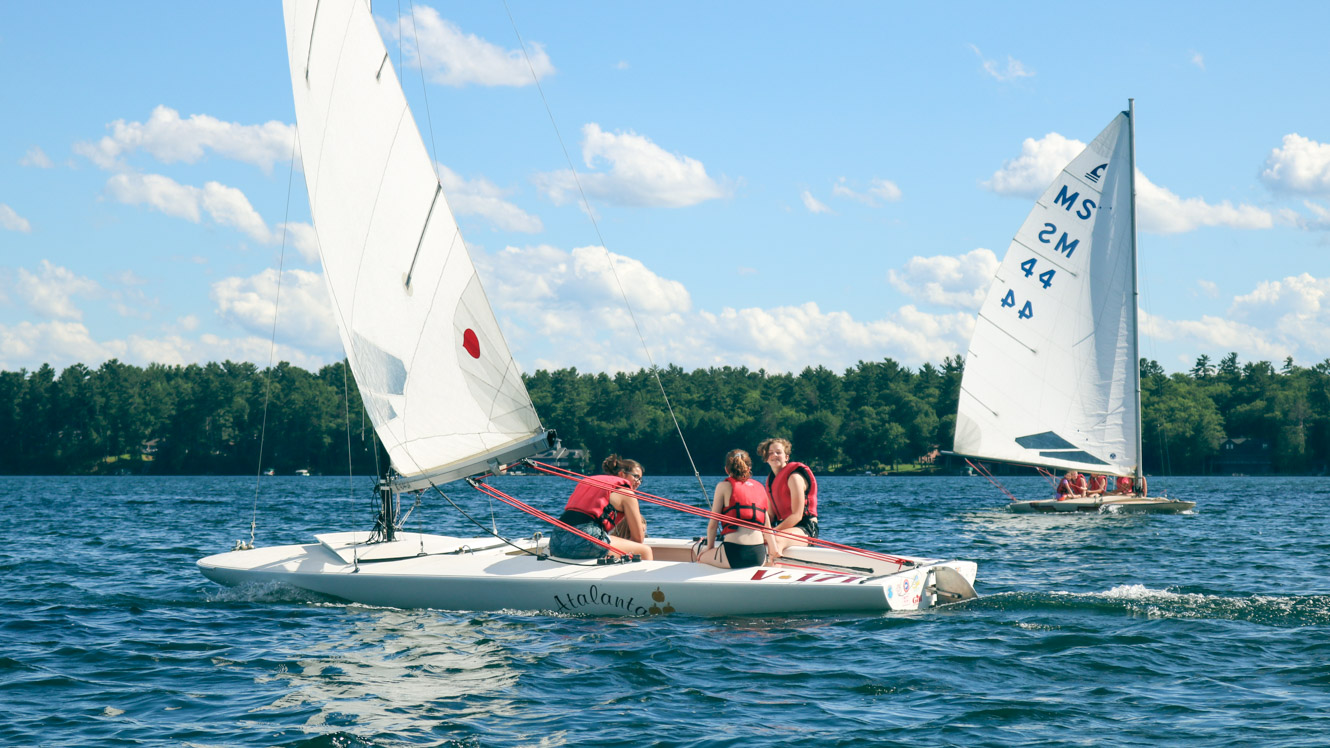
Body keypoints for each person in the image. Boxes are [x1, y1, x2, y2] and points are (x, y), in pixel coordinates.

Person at [549, 454, 653, 561]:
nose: (639, 482)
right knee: (645, 551)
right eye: (636, 477)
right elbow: (638, 539)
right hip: (584, 542)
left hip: (556, 541)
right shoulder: (627, 494)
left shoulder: (593, 481)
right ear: (622, 474)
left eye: (641, 479)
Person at [696, 449, 777, 569]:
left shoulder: (723, 486)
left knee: (700, 557)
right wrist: (773, 552)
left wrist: (709, 549)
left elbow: (713, 525)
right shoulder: (759, 487)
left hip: (734, 554)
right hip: (758, 556)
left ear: (726, 469)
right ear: (749, 468)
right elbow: (767, 528)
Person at [757, 437, 818, 556]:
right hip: (782, 527)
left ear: (786, 457)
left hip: (805, 528)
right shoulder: (771, 481)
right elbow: (770, 515)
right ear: (766, 458)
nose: (774, 455)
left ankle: (770, 571)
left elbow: (797, 515)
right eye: (770, 453)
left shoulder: (794, 478)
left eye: (778, 452)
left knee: (775, 540)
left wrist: (771, 533)